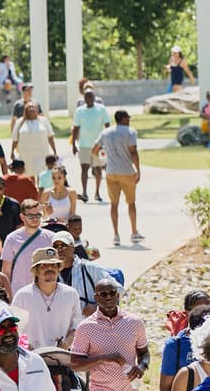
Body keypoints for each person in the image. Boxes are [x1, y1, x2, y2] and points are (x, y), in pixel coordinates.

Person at [11, 247, 82, 351]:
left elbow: (77, 326)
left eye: (53, 265)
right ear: (36, 271)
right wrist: (28, 348)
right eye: (44, 265)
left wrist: (66, 344)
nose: (50, 268)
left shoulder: (71, 294)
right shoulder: (22, 295)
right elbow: (14, 327)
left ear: (58, 269)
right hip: (31, 358)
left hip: (61, 357)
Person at [98, 109, 143, 246]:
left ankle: (116, 235)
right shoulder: (130, 132)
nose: (129, 121)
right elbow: (133, 152)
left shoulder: (106, 132)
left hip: (111, 171)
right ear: (122, 119)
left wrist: (104, 162)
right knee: (131, 202)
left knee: (114, 204)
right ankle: (134, 232)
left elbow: (96, 150)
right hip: (126, 171)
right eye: (127, 118)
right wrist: (138, 169)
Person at [70, 87, 111, 203]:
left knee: (98, 169)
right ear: (84, 98)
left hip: (98, 145)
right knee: (84, 169)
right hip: (84, 145)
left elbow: (107, 125)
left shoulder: (101, 109)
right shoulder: (79, 111)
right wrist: (73, 144)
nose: (89, 99)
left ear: (94, 98)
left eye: (91, 97)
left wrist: (109, 142)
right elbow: (76, 128)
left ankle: (97, 192)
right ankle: (84, 192)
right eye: (87, 97)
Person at [1, 199, 49, 296]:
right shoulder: (12, 238)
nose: (35, 219)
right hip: (18, 293)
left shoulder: (50, 237)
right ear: (22, 217)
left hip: (44, 293)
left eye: (38, 215)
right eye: (31, 216)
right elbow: (6, 271)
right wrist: (7, 294)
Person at [53, 232, 108, 316]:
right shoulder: (49, 274)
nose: (59, 249)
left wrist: (98, 307)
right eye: (56, 247)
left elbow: (118, 290)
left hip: (89, 326)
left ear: (73, 247)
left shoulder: (90, 268)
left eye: (64, 245)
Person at [12, 99, 58, 168]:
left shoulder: (43, 120)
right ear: (25, 110)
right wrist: (12, 152)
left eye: (33, 107)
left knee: (41, 172)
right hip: (26, 155)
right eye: (29, 107)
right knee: (28, 175)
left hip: (42, 154)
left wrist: (54, 151)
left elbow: (50, 137)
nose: (31, 108)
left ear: (37, 110)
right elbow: (15, 139)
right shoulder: (20, 122)